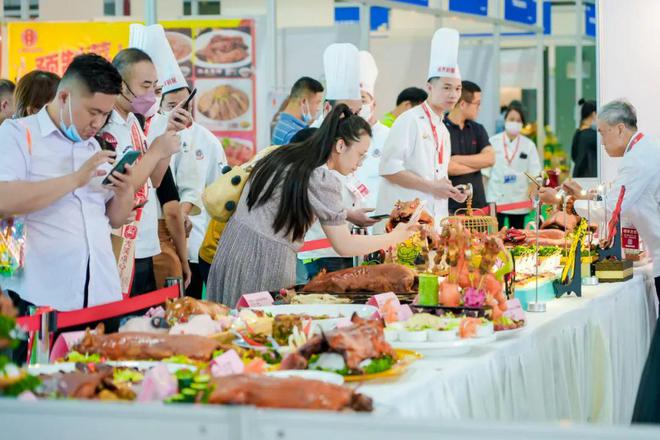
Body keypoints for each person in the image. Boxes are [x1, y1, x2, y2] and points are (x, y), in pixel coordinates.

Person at [207, 104, 418, 307]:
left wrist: (348, 214)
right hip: (264, 260)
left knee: (232, 329)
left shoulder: (284, 154)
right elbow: (344, 245)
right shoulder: (321, 177)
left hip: (232, 248)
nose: (360, 163)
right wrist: (395, 237)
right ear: (340, 145)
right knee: (262, 331)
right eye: (360, 154)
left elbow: (290, 198)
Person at [536, 100, 660, 423]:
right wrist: (580, 196)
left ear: (621, 129)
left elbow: (610, 208)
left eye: (604, 135)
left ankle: (645, 425)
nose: (602, 144)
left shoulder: (639, 160)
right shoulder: (641, 154)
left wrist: (564, 201)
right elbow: (616, 197)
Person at [0, 53, 135, 311]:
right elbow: (5, 200)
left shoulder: (93, 145)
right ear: (63, 97)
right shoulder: (18, 134)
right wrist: (74, 179)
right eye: (93, 112)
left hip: (101, 291)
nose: (98, 123)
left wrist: (125, 190)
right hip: (42, 298)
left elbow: (114, 219)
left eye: (105, 114)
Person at [100, 47, 189, 296]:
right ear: (120, 85)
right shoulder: (107, 126)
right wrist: (155, 152)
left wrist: (167, 138)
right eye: (146, 86)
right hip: (120, 241)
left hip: (144, 240)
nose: (151, 96)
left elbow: (155, 180)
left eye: (155, 88)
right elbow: (120, 186)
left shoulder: (133, 121)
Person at [299, 44, 378, 278]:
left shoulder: (349, 140)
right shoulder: (307, 141)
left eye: (357, 112)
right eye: (345, 112)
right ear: (326, 108)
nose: (352, 119)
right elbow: (309, 196)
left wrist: (351, 215)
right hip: (316, 251)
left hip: (346, 246)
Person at [376, 28, 466, 224]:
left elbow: (436, 176)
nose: (453, 95)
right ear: (430, 88)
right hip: (403, 222)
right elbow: (388, 169)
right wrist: (431, 186)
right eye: (447, 87)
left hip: (433, 220)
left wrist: (450, 191)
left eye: (457, 89)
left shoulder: (443, 129)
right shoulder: (409, 120)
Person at [158, 84, 227, 298]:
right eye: (172, 105)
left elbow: (219, 192)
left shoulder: (207, 140)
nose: (180, 111)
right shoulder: (151, 136)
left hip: (195, 240)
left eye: (186, 105)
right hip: (157, 241)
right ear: (159, 106)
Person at [484, 105, 541, 229]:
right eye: (511, 119)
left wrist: (532, 196)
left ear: (523, 124)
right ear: (505, 121)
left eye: (518, 120)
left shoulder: (529, 145)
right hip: (496, 197)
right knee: (495, 236)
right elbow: (485, 173)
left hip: (519, 198)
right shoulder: (493, 141)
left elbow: (534, 174)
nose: (514, 123)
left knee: (517, 236)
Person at [444, 80, 494, 213]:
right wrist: (478, 163)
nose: (479, 108)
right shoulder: (441, 128)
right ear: (462, 104)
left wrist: (456, 159)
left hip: (478, 206)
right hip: (450, 208)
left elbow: (490, 159)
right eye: (477, 104)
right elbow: (448, 167)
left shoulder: (477, 129)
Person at [311, 43, 363, 128]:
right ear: (327, 108)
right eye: (347, 113)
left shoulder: (361, 138)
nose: (353, 121)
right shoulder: (309, 138)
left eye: (357, 113)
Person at [271, 76, 324, 145]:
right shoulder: (293, 134)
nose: (318, 108)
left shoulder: (282, 124)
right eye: (317, 103)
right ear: (304, 102)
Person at [571, 98, 598, 178]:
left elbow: (574, 156)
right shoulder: (593, 136)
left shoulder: (578, 133)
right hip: (589, 179)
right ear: (593, 114)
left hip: (577, 175)